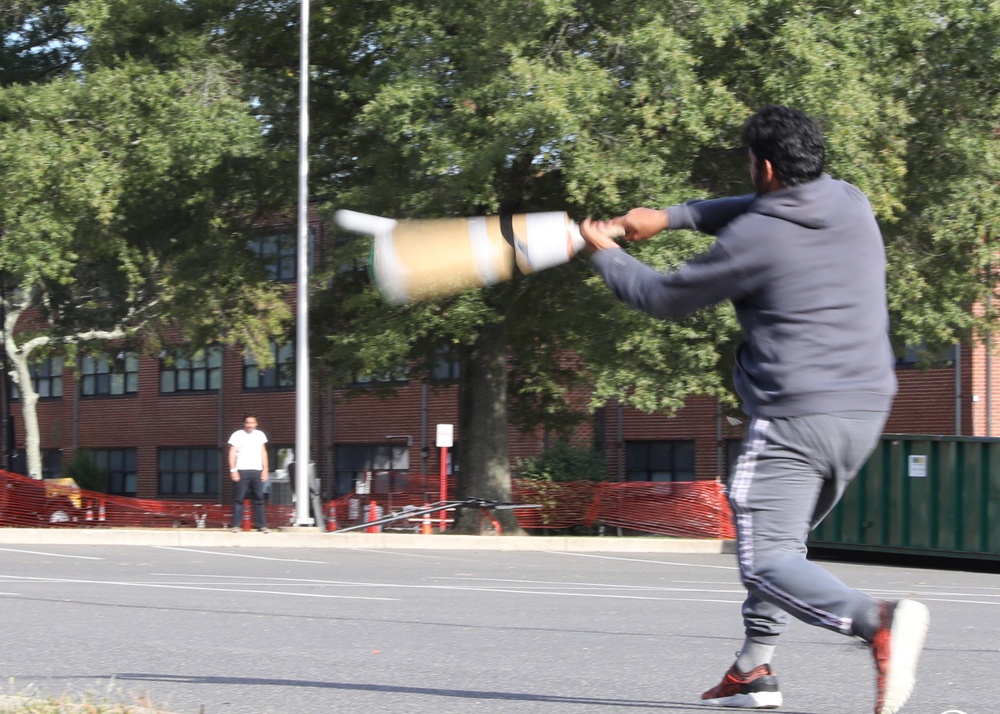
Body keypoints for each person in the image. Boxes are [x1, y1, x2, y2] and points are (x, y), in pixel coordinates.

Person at [579, 105, 928, 714]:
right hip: (865, 408)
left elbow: (660, 295)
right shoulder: (849, 200)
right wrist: (669, 218)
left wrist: (602, 251)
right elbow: (743, 207)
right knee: (787, 545)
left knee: (765, 560)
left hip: (796, 415)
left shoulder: (756, 238)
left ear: (763, 167)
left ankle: (877, 622)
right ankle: (752, 671)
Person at [228, 413, 270, 533]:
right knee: (239, 498)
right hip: (241, 470)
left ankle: (261, 525)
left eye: (252, 423)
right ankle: (236, 525)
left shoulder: (260, 435)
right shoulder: (237, 435)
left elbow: (263, 452)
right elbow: (232, 453)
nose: (250, 425)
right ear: (244, 423)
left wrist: (265, 469)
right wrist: (233, 470)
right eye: (247, 423)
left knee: (259, 498)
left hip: (256, 470)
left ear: (256, 424)